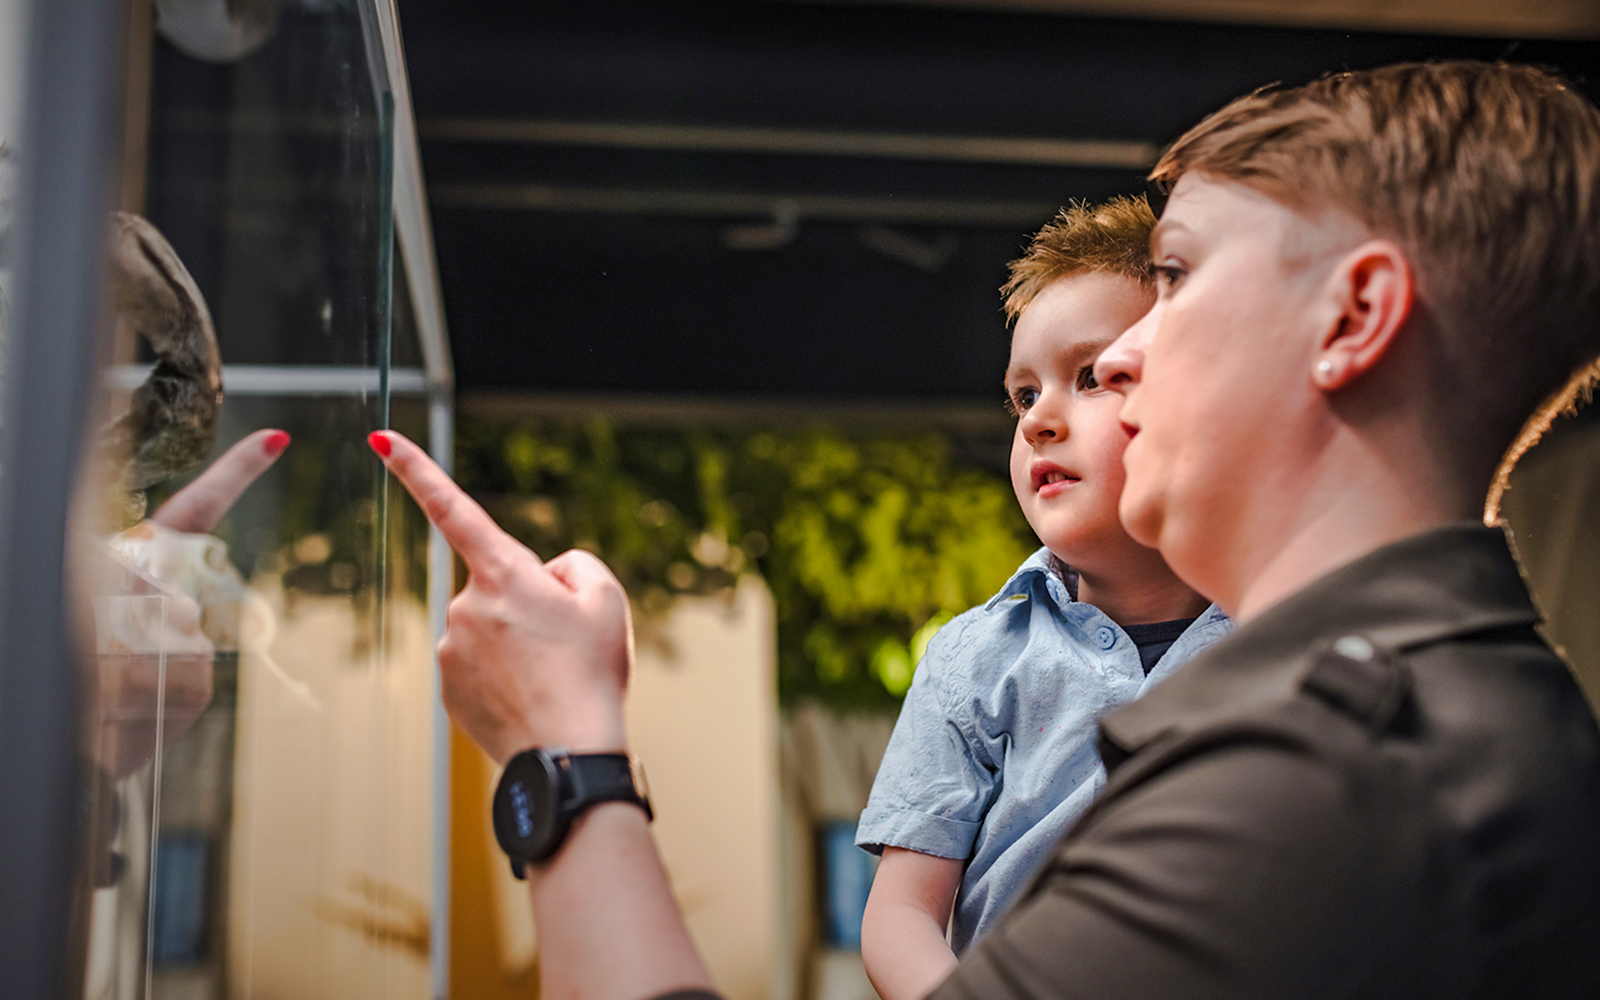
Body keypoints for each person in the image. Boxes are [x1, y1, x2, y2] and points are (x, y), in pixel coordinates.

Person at [370, 59, 1600, 1000]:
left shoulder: (1329, 774)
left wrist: (563, 751)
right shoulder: (1415, 719)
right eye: (1029, 389)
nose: (1122, 353)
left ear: (1355, 316)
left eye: (1174, 275)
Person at [857, 196, 1228, 999]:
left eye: (1090, 378)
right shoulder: (973, 659)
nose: (1038, 422)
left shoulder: (1282, 634)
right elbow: (900, 916)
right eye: (1023, 396)